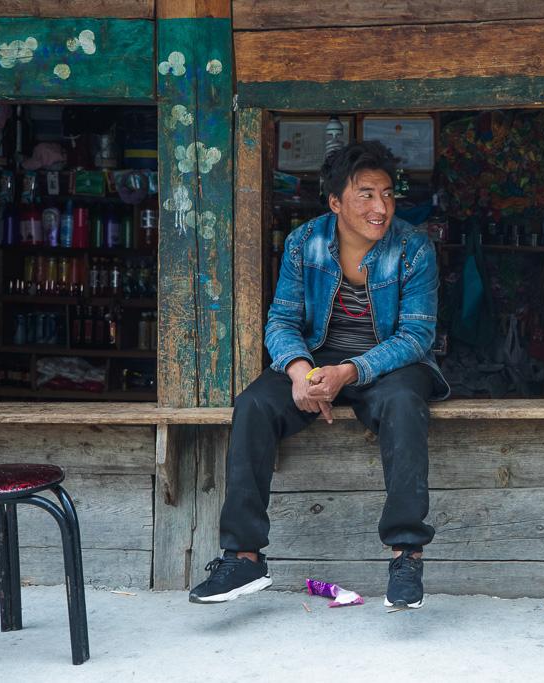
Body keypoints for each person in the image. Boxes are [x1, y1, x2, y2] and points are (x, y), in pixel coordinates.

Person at [189, 141, 449, 610]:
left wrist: (348, 372)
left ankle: (406, 554)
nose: (381, 207)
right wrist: (300, 371)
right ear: (335, 202)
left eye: (387, 194)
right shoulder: (304, 242)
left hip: (389, 362)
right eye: (365, 195)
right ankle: (244, 557)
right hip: (317, 359)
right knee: (253, 404)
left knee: (404, 404)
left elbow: (416, 335)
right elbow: (282, 321)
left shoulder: (413, 247)